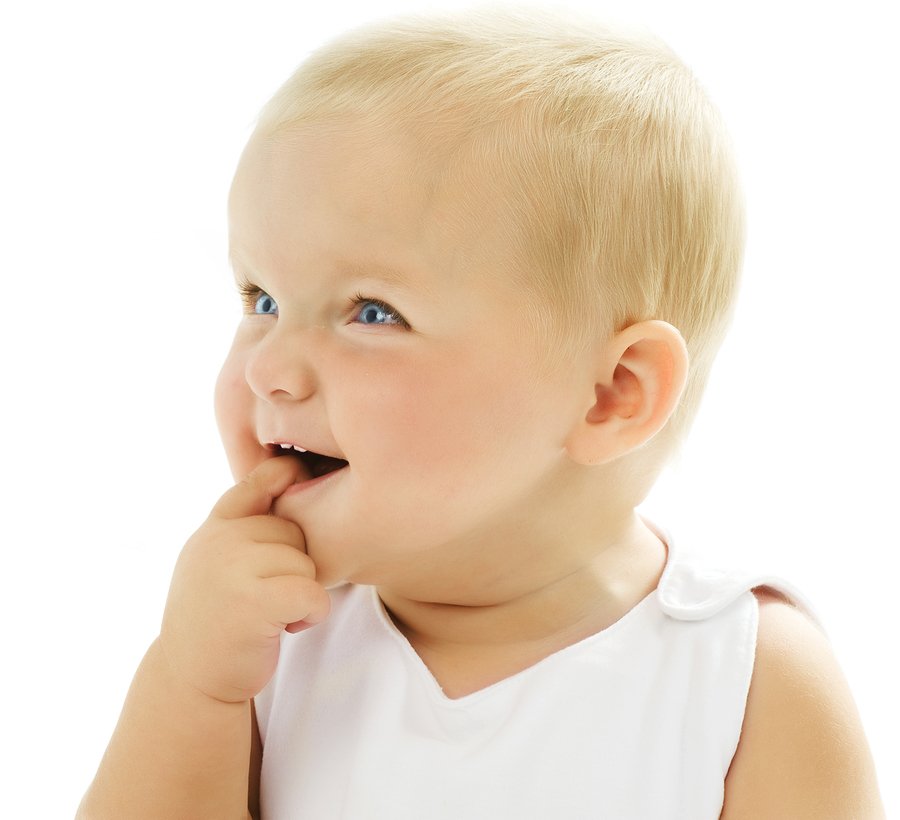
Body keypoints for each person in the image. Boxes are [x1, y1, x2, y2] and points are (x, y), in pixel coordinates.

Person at [77, 9, 884, 819]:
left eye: (372, 312)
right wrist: (192, 685)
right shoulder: (259, 645)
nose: (268, 368)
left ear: (611, 394)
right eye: (262, 298)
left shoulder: (744, 676)